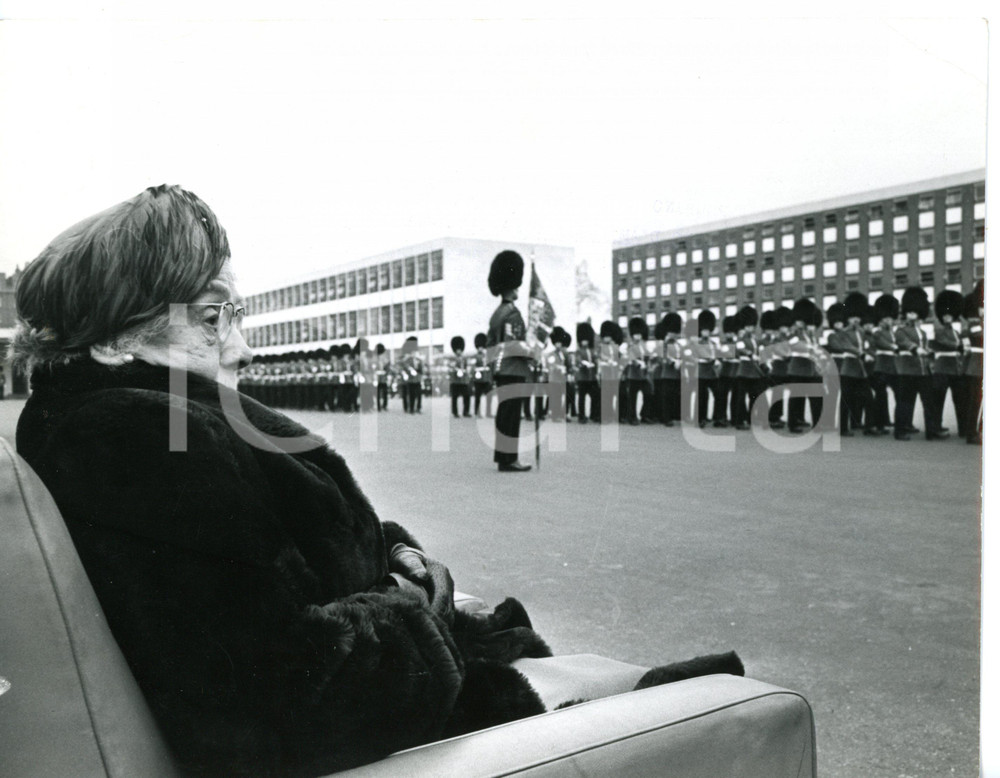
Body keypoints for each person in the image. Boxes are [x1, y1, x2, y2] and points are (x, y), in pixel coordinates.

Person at [12, 186, 743, 775]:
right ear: (112, 340)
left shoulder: (122, 423)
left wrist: (393, 555)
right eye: (210, 319)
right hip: (417, 726)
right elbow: (276, 705)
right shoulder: (144, 444)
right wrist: (412, 607)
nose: (241, 346)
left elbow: (275, 557)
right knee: (734, 703)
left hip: (411, 690)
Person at [486, 250, 536, 472]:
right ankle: (509, 459)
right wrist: (532, 353)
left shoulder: (498, 313)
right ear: (512, 288)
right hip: (513, 369)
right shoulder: (512, 314)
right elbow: (513, 344)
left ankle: (503, 458)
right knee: (511, 417)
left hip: (500, 369)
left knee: (504, 415)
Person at [894, 287, 948, 441]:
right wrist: (915, 349)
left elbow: (924, 347)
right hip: (907, 371)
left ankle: (931, 431)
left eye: (914, 312)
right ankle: (900, 430)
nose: (912, 314)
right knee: (905, 403)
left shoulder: (922, 332)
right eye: (909, 312)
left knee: (929, 403)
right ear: (905, 313)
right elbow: (903, 342)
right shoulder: (900, 330)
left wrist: (929, 351)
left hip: (923, 372)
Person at [928, 289, 967, 438]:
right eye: (945, 316)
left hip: (955, 370)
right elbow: (942, 342)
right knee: (938, 402)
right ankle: (935, 428)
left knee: (960, 401)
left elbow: (962, 343)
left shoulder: (956, 332)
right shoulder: (938, 330)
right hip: (942, 369)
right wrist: (958, 346)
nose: (947, 318)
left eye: (950, 315)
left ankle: (963, 428)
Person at [574, 321, 599, 423]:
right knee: (582, 398)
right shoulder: (579, 351)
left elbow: (595, 359)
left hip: (592, 377)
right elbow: (578, 360)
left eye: (586, 340)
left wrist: (596, 364)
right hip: (583, 377)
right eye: (583, 340)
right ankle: (581, 416)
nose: (585, 342)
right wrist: (584, 363)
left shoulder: (592, 350)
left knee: (595, 396)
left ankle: (594, 414)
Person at [448, 335, 472, 418]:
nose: (459, 351)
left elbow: (467, 367)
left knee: (467, 396)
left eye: (460, 349)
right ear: (455, 350)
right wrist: (456, 370)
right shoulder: (452, 358)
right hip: (455, 380)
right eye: (457, 350)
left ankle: (466, 411)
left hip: (464, 380)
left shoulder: (465, 358)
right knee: (454, 397)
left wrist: (466, 371)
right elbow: (451, 368)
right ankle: (455, 412)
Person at [471, 332, 494, 418]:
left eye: (482, 346)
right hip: (478, 379)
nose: (480, 348)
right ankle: (477, 412)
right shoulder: (475, 356)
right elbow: (473, 368)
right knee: (478, 397)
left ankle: (488, 412)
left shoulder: (487, 356)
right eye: (479, 347)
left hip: (487, 379)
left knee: (489, 397)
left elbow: (490, 367)